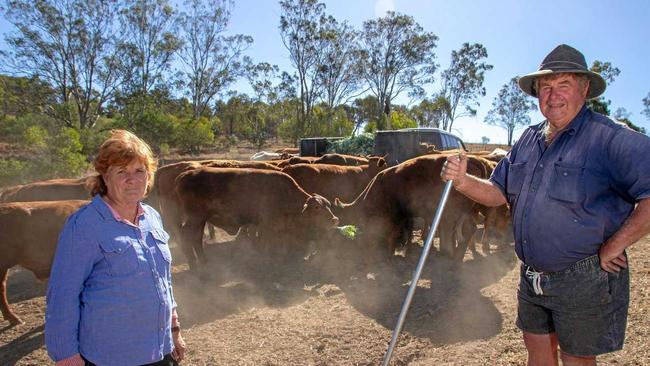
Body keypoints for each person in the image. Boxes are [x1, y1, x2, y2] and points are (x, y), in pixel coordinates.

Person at [441, 44, 650, 365]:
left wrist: (615, 245)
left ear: (585, 88)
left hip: (583, 275)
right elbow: (498, 192)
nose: (553, 96)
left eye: (563, 85)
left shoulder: (609, 138)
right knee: (536, 349)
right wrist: (463, 181)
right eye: (545, 88)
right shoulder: (528, 138)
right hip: (532, 274)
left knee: (576, 359)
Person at [45, 130, 187, 366]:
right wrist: (67, 357)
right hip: (112, 357)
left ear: (149, 175)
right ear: (104, 177)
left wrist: (174, 329)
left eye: (139, 171)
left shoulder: (151, 217)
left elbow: (163, 280)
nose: (132, 180)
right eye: (121, 172)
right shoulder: (83, 225)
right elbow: (62, 296)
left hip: (160, 349)